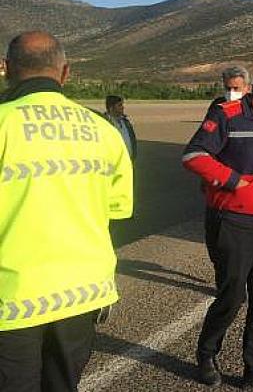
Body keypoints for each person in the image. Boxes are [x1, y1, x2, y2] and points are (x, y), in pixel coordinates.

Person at [0, 31, 133, 391]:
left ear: (6, 69)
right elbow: (117, 214)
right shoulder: (105, 132)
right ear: (65, 72)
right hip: (83, 294)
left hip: (12, 303)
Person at [183, 66, 253, 390]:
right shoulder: (227, 115)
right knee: (232, 298)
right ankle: (206, 354)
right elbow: (193, 155)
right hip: (233, 224)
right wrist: (234, 182)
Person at [104, 95, 137, 161]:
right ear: (111, 108)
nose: (123, 107)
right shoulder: (104, 123)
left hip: (127, 162)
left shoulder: (126, 122)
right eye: (119, 105)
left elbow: (132, 141)